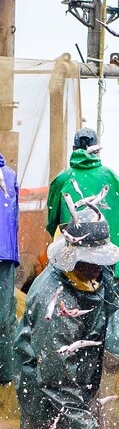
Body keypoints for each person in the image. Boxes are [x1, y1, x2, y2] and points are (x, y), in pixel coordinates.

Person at [15, 208, 119, 429]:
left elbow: (113, 303)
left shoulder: (98, 270)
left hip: (82, 381)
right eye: (92, 260)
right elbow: (56, 378)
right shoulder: (53, 302)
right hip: (47, 394)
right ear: (72, 256)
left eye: (101, 259)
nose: (99, 266)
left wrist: (115, 348)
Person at [46, 127, 119, 282]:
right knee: (110, 303)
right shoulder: (111, 177)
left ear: (73, 149)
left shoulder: (63, 179)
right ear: (97, 149)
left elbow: (52, 220)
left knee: (76, 302)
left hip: (75, 264)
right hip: (111, 260)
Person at [0, 152, 19, 385]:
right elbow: (15, 217)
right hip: (6, 252)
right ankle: (7, 375)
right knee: (5, 317)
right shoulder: (10, 174)